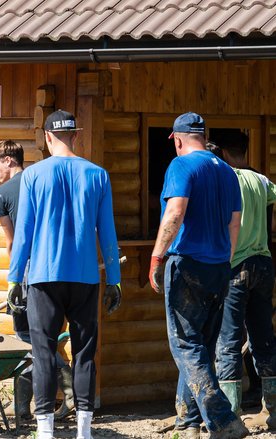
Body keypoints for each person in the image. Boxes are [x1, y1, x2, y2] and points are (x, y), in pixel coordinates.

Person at [8, 110, 122, 439]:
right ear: (76, 136)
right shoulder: (98, 175)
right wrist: (114, 278)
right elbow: (108, 234)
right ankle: (83, 431)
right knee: (85, 352)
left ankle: (45, 431)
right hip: (85, 276)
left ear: (46, 137)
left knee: (44, 353)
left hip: (43, 277)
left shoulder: (33, 176)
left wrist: (15, 277)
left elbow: (23, 234)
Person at [148, 112, 248, 438]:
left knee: (186, 346)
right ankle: (187, 424)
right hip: (219, 266)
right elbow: (235, 223)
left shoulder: (181, 165)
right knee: (200, 347)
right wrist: (226, 260)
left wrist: (157, 256)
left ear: (177, 139)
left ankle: (223, 420)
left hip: (187, 263)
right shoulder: (228, 172)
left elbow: (175, 211)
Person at [0, 140, 74, 422]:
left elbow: (13, 244)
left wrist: (13, 280)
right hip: (58, 268)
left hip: (26, 273)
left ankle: (67, 392)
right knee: (42, 335)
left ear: (9, 161)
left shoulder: (2, 194)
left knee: (26, 337)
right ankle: (23, 407)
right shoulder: (45, 183)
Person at [207, 137, 276, 430]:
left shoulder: (225, 178)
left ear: (223, 153)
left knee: (229, 342)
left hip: (235, 266)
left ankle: (230, 417)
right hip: (263, 263)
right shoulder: (261, 180)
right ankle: (271, 410)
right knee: (264, 338)